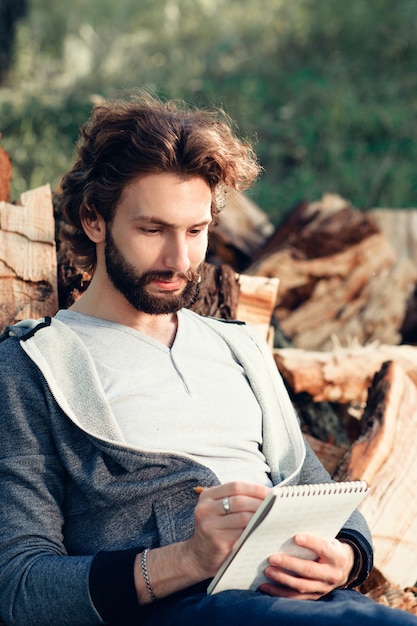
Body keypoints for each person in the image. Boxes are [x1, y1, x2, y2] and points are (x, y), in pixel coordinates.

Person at [0, 91, 415, 626]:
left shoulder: (236, 345)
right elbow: (19, 589)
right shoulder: (34, 364)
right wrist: (186, 560)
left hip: (311, 607)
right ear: (94, 219)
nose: (179, 260)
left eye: (195, 232)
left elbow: (322, 493)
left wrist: (348, 558)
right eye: (153, 230)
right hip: (184, 612)